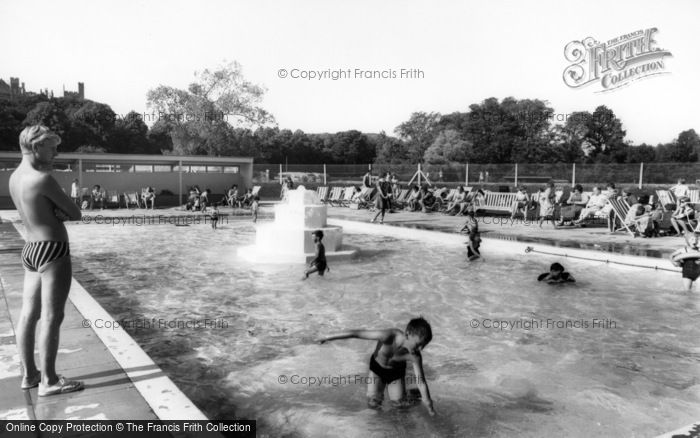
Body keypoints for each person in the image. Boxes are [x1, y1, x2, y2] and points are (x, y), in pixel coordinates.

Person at [10, 125, 84, 396]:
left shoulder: (15, 178)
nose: (56, 152)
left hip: (30, 249)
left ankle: (30, 375)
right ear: (36, 146)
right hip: (52, 249)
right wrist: (59, 212)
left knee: (28, 315)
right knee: (53, 316)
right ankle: (49, 381)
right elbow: (75, 213)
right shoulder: (42, 178)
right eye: (52, 146)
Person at [316, 317, 436, 415]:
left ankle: (414, 394)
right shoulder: (389, 336)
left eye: (423, 346)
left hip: (396, 374)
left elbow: (421, 382)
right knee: (373, 405)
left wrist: (429, 406)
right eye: (418, 344)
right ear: (408, 334)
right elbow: (355, 334)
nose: (421, 349)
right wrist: (327, 337)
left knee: (399, 407)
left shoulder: (415, 356)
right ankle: (410, 393)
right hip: (377, 370)